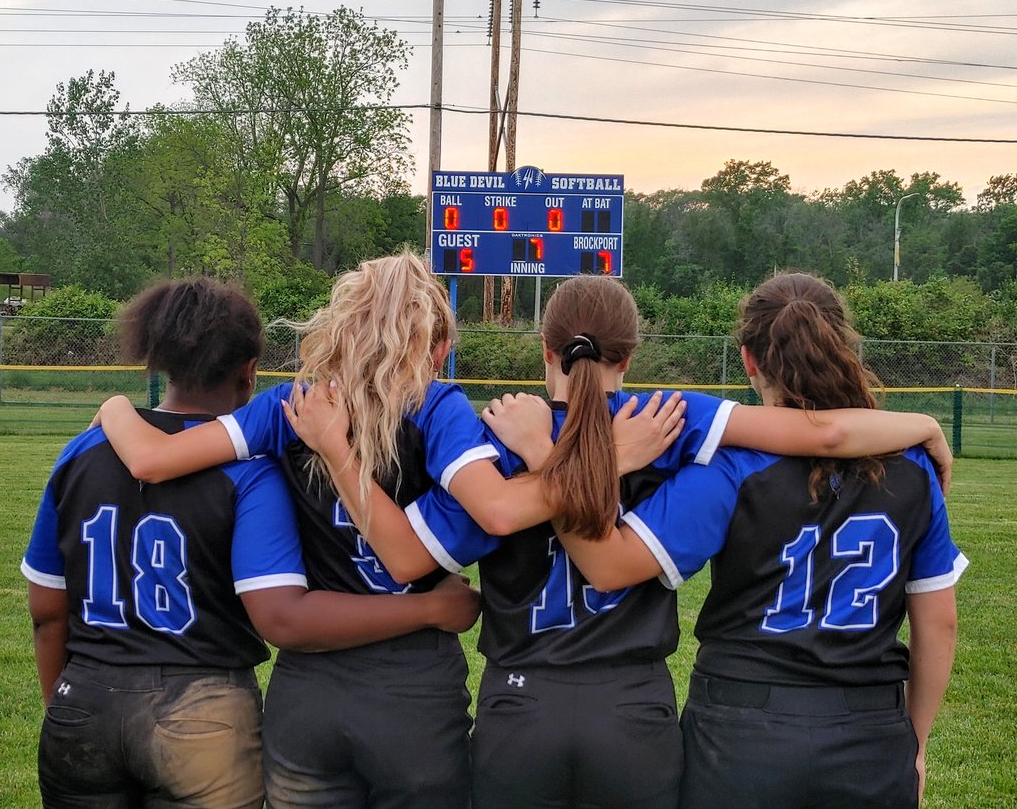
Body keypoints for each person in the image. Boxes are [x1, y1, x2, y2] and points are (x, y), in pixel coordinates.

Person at [94, 253, 949, 808]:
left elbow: (155, 455)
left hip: (489, 699)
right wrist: (920, 425)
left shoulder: (432, 422)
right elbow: (822, 434)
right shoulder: (660, 418)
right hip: (618, 702)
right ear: (629, 353)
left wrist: (113, 407)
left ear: (546, 345)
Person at [493, 272, 964, 809]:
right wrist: (915, 742)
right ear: (841, 346)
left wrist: (547, 461)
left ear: (748, 360)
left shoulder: (729, 466)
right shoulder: (913, 468)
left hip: (741, 720)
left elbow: (609, 565)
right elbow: (939, 622)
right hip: (869, 726)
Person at [21, 278, 480, 809]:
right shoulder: (259, 469)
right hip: (224, 703)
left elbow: (48, 610)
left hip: (103, 694)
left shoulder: (85, 451)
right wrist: (432, 608)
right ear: (248, 369)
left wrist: (117, 408)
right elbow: (286, 611)